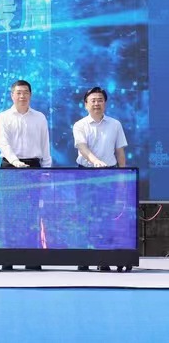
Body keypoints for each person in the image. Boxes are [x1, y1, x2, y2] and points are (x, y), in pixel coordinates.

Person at [0, 80, 51, 271]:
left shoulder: (39, 117)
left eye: (25, 92)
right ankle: (8, 258)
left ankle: (32, 258)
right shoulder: (3, 117)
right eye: (18, 92)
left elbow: (45, 144)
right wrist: (15, 161)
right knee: (9, 213)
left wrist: (46, 168)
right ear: (12, 95)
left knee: (32, 213)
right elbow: (3, 143)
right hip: (10, 167)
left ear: (30, 95)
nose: (22, 96)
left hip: (33, 166)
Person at [73, 86, 128, 271]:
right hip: (85, 174)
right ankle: (84, 257)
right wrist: (95, 161)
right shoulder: (80, 125)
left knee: (105, 216)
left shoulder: (115, 124)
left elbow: (120, 152)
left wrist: (122, 176)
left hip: (108, 174)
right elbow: (82, 148)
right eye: (93, 100)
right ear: (85, 104)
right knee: (84, 215)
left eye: (100, 100)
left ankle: (103, 258)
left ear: (105, 103)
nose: (96, 103)